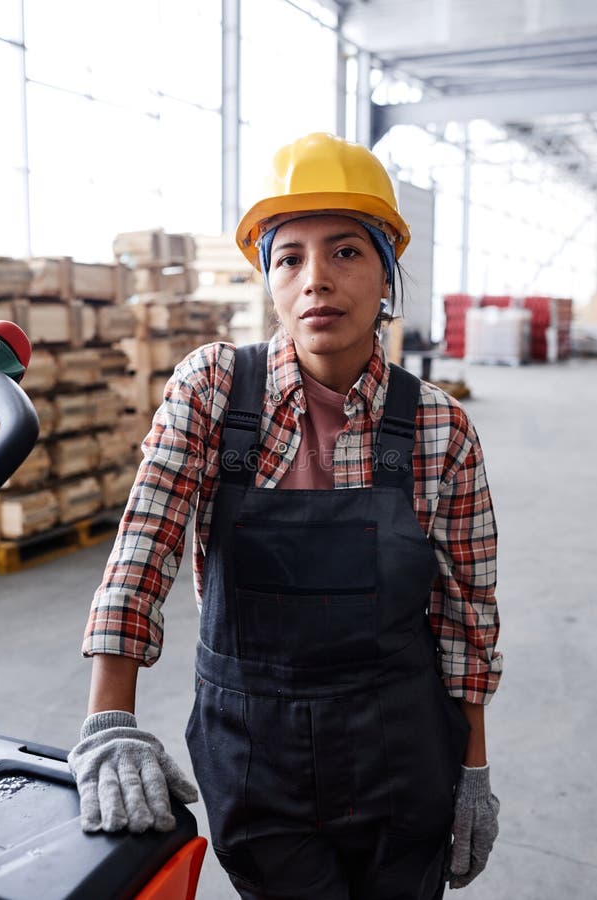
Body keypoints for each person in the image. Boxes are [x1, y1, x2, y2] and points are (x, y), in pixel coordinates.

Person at [69, 132, 503, 899]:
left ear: (385, 276)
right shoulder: (211, 390)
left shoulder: (439, 427)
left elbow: (466, 618)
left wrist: (471, 769)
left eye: (344, 253)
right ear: (267, 279)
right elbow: (143, 549)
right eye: (289, 258)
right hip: (252, 754)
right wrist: (110, 720)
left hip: (402, 753)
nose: (315, 281)